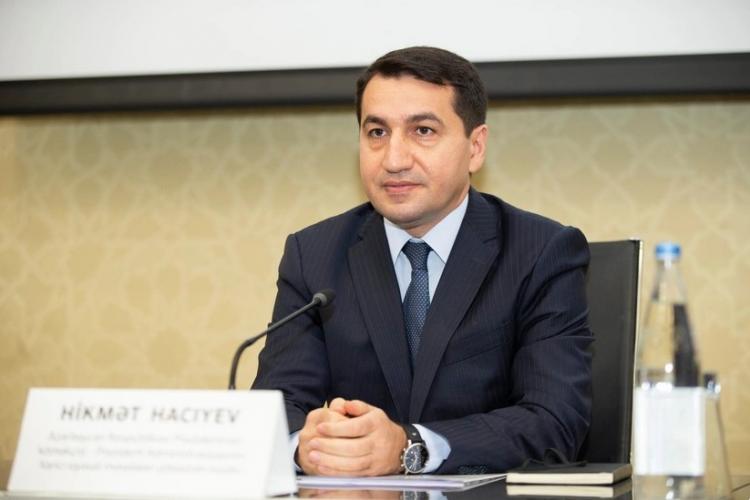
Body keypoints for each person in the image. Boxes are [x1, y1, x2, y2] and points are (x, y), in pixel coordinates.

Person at [252, 46, 592, 476]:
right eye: (377, 132)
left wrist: (410, 445)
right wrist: (307, 446)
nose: (394, 160)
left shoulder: (540, 251)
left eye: (423, 131)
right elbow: (277, 407)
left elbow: (555, 421)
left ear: (475, 147)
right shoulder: (313, 254)